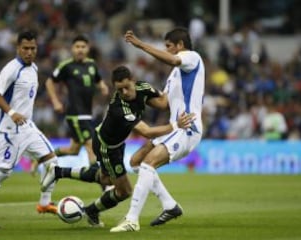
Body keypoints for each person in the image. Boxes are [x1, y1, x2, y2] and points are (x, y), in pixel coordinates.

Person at [41, 65, 195, 227]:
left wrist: (180, 93)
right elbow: (147, 132)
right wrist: (175, 125)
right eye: (120, 90)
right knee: (124, 191)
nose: (125, 93)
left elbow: (163, 103)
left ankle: (58, 172)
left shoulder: (143, 86)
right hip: (106, 146)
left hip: (118, 143)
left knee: (104, 177)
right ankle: (91, 209)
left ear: (133, 81)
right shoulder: (119, 107)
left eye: (127, 87)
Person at [110, 27, 205, 232]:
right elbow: (163, 103)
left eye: (169, 46)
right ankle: (170, 206)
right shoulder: (175, 74)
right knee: (136, 163)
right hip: (175, 127)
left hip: (187, 127)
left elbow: (172, 60)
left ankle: (132, 219)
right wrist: (136, 94)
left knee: (147, 164)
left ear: (180, 46)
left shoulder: (191, 57)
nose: (167, 50)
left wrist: (140, 44)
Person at [0, 30, 59, 222]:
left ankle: (44, 202)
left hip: (28, 127)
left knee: (51, 160)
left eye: (33, 48)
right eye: (25, 48)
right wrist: (12, 112)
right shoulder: (11, 69)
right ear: (18, 48)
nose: (29, 52)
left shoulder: (34, 69)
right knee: (3, 172)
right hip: (10, 129)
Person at [44, 34, 109, 168]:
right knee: (91, 146)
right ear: (72, 49)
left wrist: (102, 86)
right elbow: (50, 82)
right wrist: (55, 101)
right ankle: (102, 183)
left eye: (83, 47)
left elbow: (97, 79)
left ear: (88, 48)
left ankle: (43, 158)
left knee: (73, 150)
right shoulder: (66, 66)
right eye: (77, 47)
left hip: (87, 113)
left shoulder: (92, 64)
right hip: (76, 113)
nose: (80, 49)